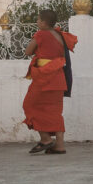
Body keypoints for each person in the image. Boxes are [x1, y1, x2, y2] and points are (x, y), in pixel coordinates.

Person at [23, 9, 78, 154]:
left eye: (38, 20)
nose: (37, 22)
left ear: (44, 22)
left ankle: (46, 139)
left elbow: (28, 51)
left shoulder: (41, 34)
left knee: (30, 105)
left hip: (44, 77)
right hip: (59, 78)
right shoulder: (60, 35)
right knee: (54, 112)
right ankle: (59, 146)